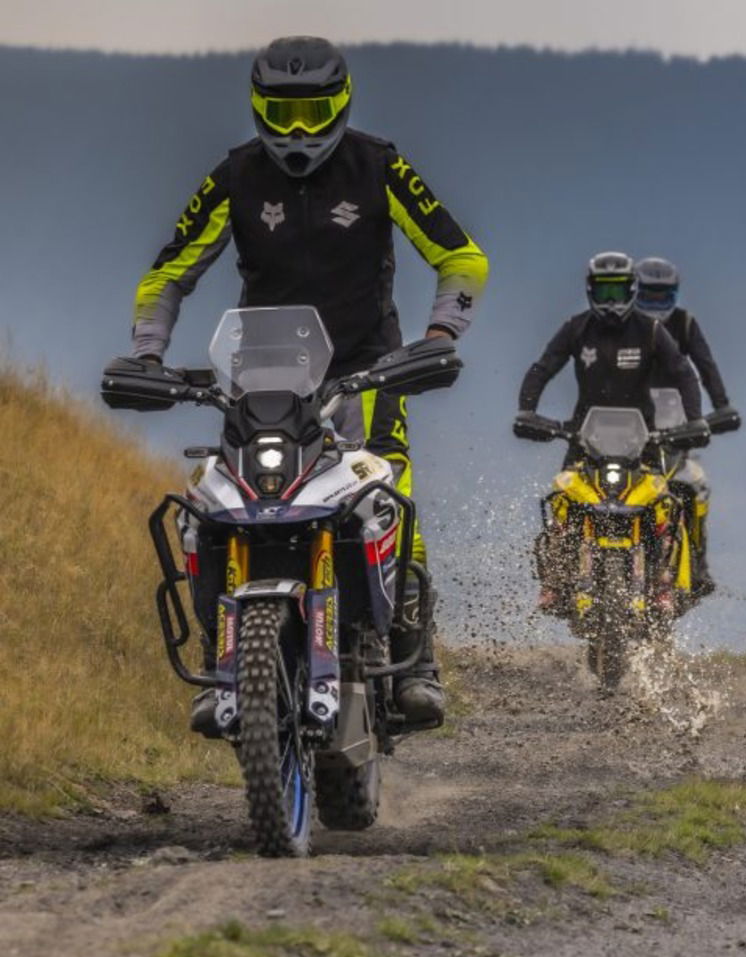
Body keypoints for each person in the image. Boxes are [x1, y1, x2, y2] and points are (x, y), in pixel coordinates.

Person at [127, 36, 488, 735]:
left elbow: (461, 255)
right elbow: (167, 272)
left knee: (392, 499)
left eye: (315, 110)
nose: (299, 129)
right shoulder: (235, 175)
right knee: (214, 506)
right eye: (283, 112)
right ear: (258, 106)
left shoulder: (379, 165)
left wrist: (440, 335)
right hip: (262, 382)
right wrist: (147, 352)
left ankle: (414, 661)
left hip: (370, 371)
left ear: (343, 104)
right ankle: (218, 654)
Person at [516, 252, 708, 612]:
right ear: (590, 290)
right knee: (562, 502)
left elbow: (684, 373)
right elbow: (542, 368)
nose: (611, 301)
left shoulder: (651, 331)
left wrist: (694, 420)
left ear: (632, 290)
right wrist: (527, 411)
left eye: (618, 292)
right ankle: (555, 583)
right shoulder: (576, 328)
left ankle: (664, 585)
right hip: (583, 442)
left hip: (644, 443)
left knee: (664, 504)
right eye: (603, 292)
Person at [635, 256, 739, 595]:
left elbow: (706, 367)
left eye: (662, 295)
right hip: (628, 429)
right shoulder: (624, 326)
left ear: (675, 293)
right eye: (648, 294)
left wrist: (721, 408)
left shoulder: (686, 323)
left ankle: (698, 563)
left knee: (697, 485)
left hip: (675, 430)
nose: (654, 303)